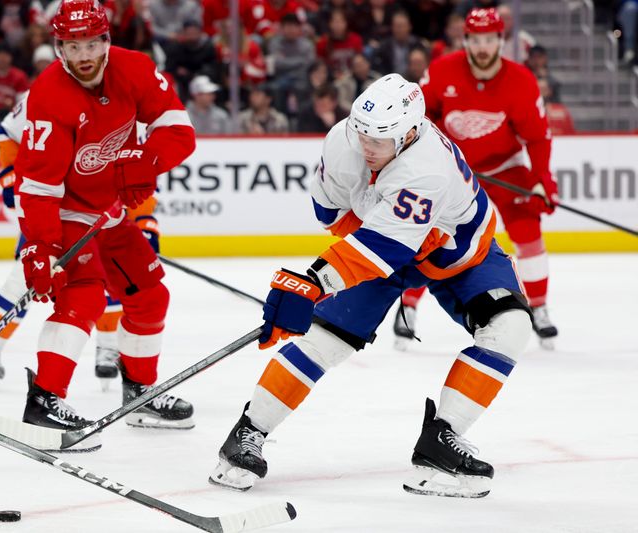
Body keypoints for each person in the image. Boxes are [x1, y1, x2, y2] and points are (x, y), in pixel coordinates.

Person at [208, 73, 533, 499]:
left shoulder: (425, 168)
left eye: (379, 141)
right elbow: (330, 211)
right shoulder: (343, 141)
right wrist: (321, 282)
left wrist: (316, 280)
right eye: (361, 134)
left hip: (455, 250)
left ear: (410, 133)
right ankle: (247, 433)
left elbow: (383, 246)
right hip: (383, 241)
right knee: (325, 338)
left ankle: (441, 439)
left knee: (509, 327)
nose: (366, 147)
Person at [12, 0, 196, 437]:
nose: (84, 56)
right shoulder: (49, 94)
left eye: (92, 43)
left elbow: (179, 131)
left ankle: (140, 395)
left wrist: (146, 161)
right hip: (65, 211)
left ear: (107, 41)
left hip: (109, 213)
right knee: (85, 294)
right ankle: (44, 400)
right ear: (58, 48)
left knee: (150, 297)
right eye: (73, 47)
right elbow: (38, 186)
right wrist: (40, 246)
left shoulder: (135, 69)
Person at [0, 92, 162, 395]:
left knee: (112, 281)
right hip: (51, 208)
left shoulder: (132, 107)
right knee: (26, 279)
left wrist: (146, 225)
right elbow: (7, 132)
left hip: (101, 215)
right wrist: (10, 176)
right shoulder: (48, 94)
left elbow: (138, 178)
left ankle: (108, 347)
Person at [394, 8, 559, 350]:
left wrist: (541, 179)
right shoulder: (441, 71)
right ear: (465, 40)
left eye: (489, 39)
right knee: (433, 234)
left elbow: (538, 137)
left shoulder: (522, 80)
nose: (482, 47)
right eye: (476, 40)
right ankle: (408, 307)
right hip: (455, 169)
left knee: (527, 227)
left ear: (501, 40)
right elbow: (422, 120)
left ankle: (539, 306)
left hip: (505, 167)